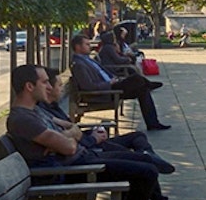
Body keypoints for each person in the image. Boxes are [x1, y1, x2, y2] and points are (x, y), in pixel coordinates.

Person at [6, 64, 189, 200]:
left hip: (82, 158)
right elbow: (69, 146)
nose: (49, 86)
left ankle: (146, 168)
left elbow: (72, 128)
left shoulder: (35, 110)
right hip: (69, 170)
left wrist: (64, 137)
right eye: (44, 82)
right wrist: (67, 137)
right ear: (29, 87)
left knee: (142, 162)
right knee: (146, 172)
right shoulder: (22, 119)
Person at [40, 72, 177, 174]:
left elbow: (71, 131)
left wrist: (87, 133)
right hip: (88, 149)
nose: (63, 88)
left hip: (87, 144)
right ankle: (147, 157)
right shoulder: (37, 114)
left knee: (138, 136)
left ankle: (148, 153)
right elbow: (67, 142)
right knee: (143, 164)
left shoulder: (51, 108)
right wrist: (92, 137)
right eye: (59, 85)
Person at [70, 33, 171, 130]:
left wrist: (114, 78)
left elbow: (103, 72)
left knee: (143, 89)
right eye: (86, 44)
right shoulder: (79, 64)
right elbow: (88, 86)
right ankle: (149, 85)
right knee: (137, 78)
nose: (90, 46)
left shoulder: (87, 59)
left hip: (112, 85)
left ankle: (153, 123)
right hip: (106, 92)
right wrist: (109, 83)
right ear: (78, 47)